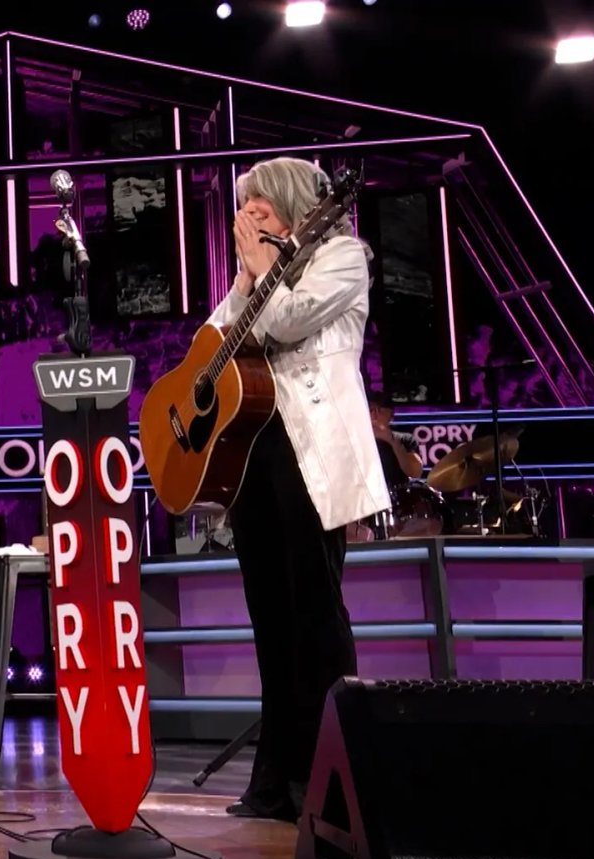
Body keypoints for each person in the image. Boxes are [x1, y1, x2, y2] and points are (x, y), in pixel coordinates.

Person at [204, 157, 387, 821]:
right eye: (242, 205)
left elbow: (281, 325)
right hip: (258, 451)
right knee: (270, 621)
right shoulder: (254, 271)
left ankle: (334, 786)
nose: (246, 216)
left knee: (315, 616)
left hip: (312, 455)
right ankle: (275, 783)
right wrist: (247, 272)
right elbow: (219, 342)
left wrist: (259, 270)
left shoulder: (342, 257)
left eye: (257, 203)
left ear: (287, 203)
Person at [368, 391, 423, 489]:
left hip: (397, 494)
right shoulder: (355, 439)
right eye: (371, 410)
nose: (374, 416)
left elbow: (415, 472)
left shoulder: (404, 438)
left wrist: (393, 442)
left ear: (391, 415)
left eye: (380, 411)